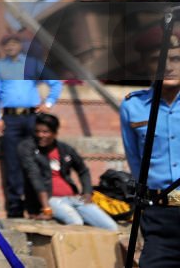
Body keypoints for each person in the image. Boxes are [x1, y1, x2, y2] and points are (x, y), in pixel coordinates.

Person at [120, 36, 180, 266]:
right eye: (159, 60)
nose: (168, 66)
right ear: (146, 65)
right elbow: (136, 162)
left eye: (176, 59)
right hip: (160, 217)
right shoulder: (132, 106)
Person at [0, 33, 63, 217]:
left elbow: (55, 82)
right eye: (7, 44)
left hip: (31, 118)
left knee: (36, 160)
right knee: (12, 163)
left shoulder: (32, 64)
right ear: (3, 48)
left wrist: (48, 103)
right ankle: (14, 208)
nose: (11, 47)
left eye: (14, 43)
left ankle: (37, 206)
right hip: (10, 119)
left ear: (20, 46)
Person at [19, 113, 118, 230]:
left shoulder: (64, 149)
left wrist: (87, 193)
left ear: (55, 133)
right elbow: (35, 176)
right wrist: (46, 208)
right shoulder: (27, 147)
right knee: (76, 223)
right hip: (52, 200)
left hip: (74, 198)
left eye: (45, 132)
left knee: (110, 226)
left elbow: (83, 170)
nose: (41, 135)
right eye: (37, 131)